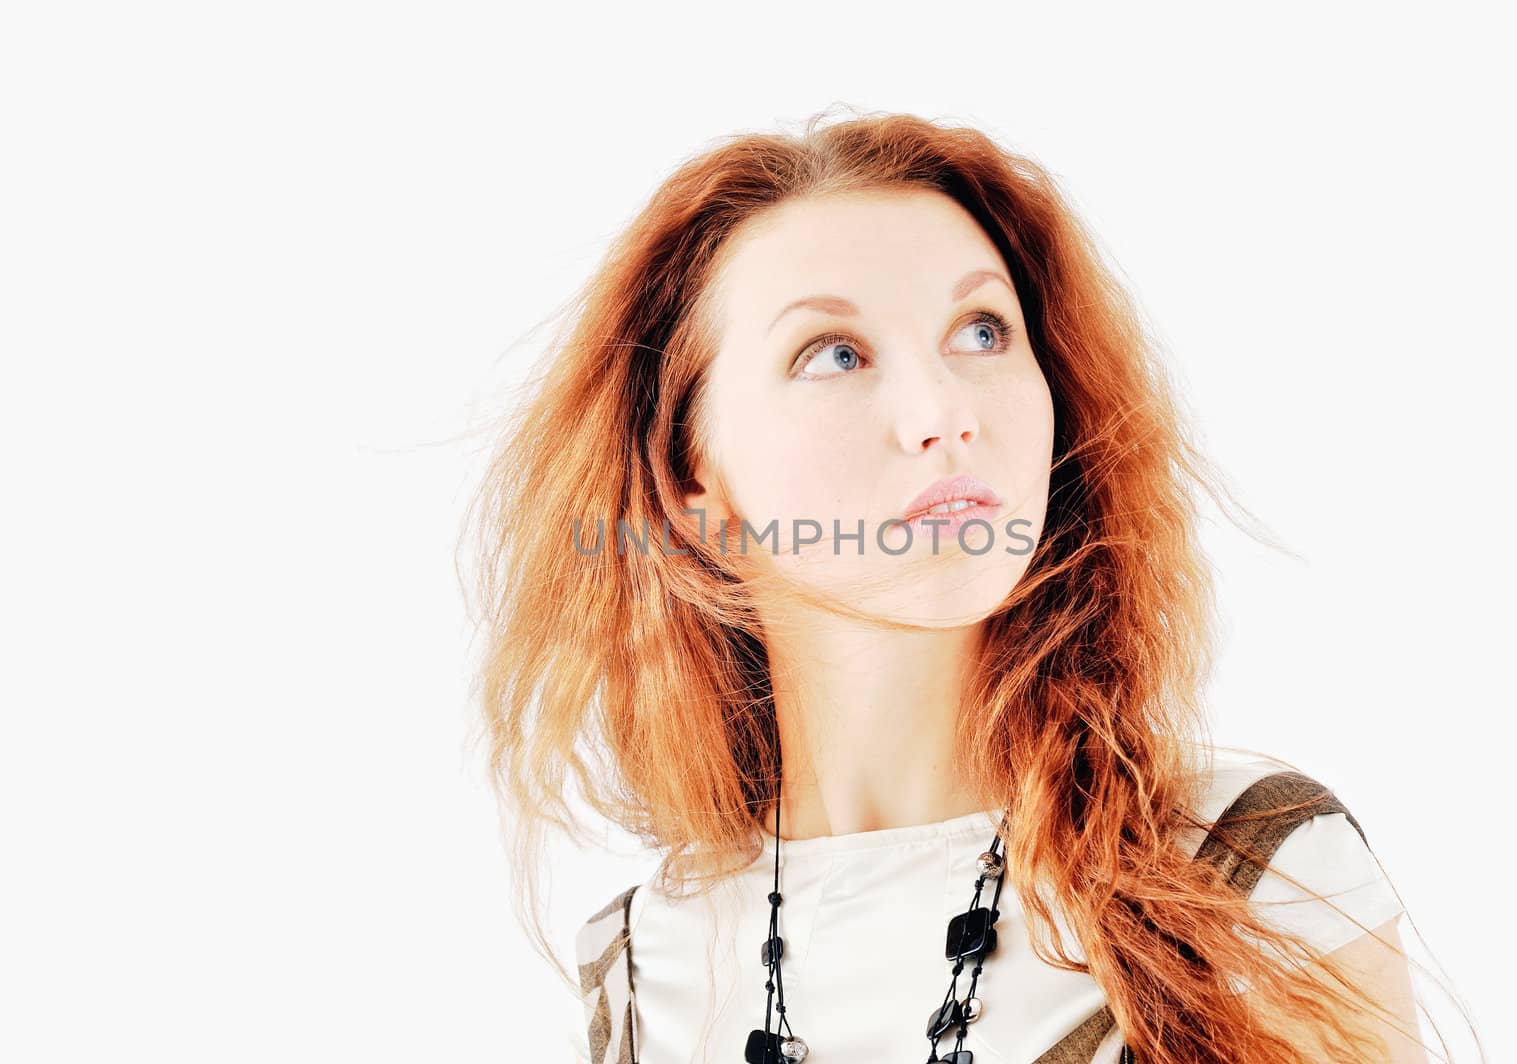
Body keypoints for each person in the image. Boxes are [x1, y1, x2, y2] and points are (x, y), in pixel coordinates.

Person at [466, 108, 1465, 1063]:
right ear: (694, 482)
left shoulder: (1237, 866)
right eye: (834, 353)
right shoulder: (646, 962)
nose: (940, 411)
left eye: (982, 331)